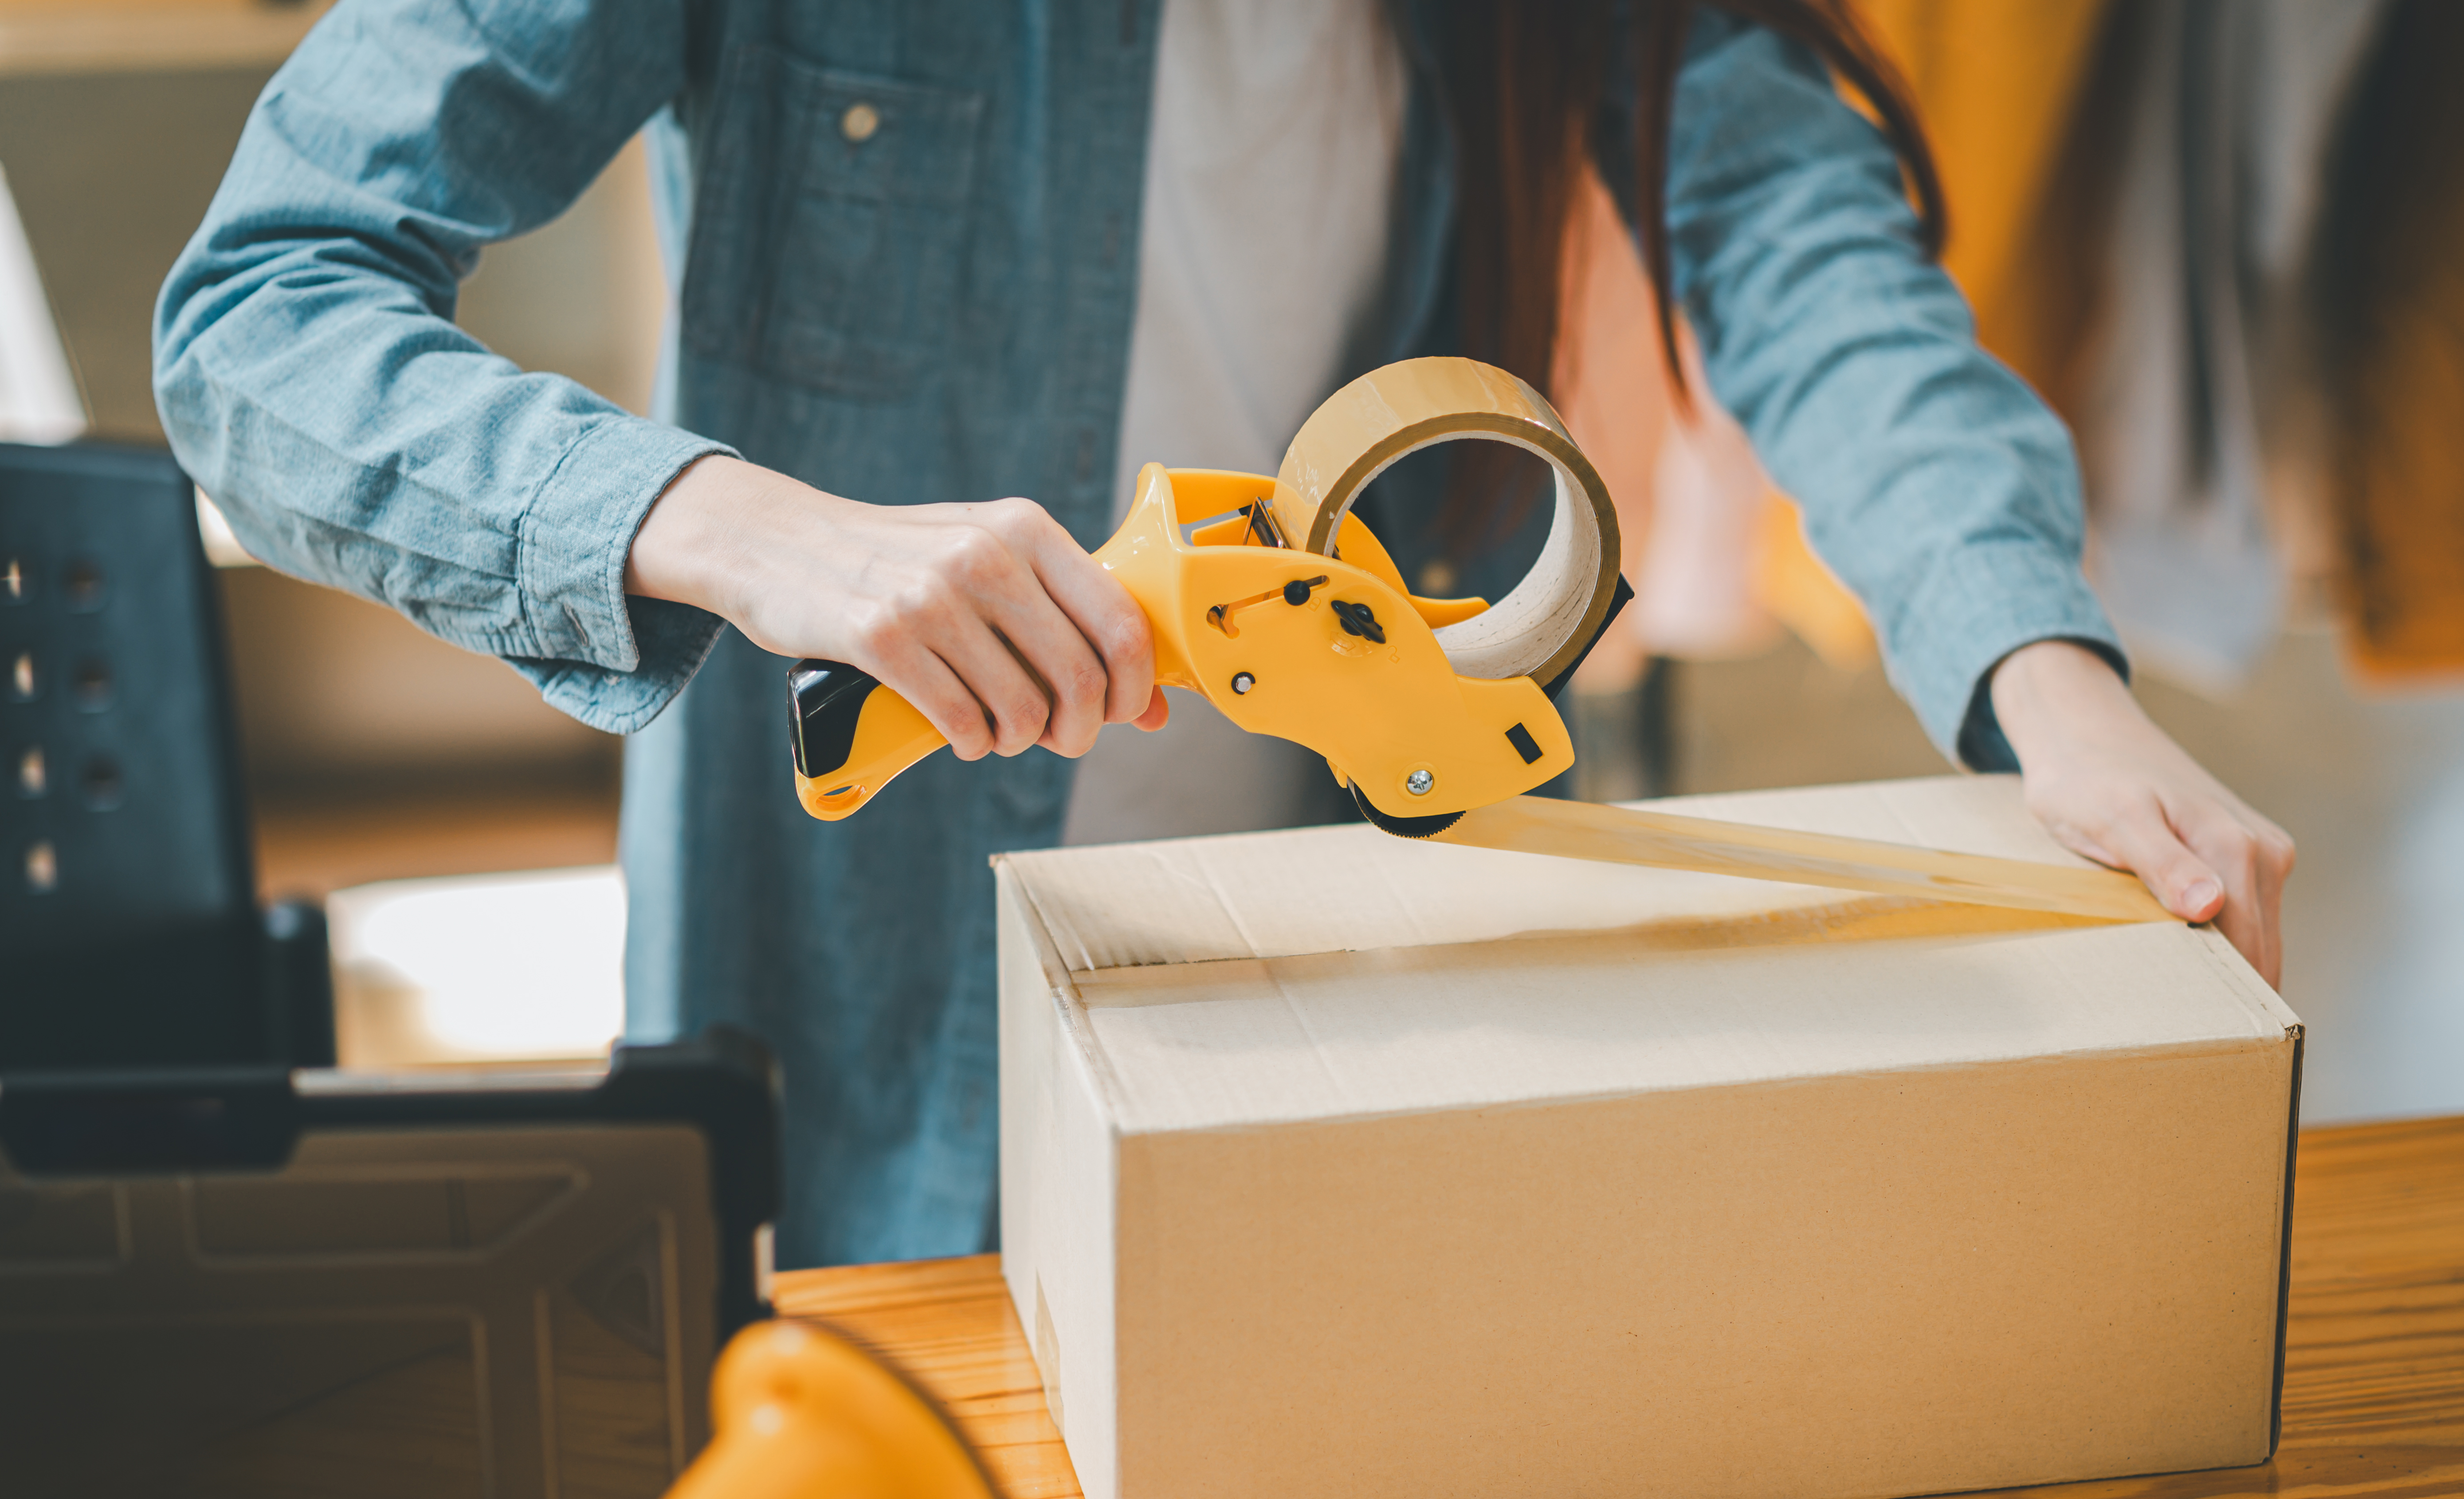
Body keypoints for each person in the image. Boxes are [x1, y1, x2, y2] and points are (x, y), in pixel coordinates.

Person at [155, 0, 2295, 1267]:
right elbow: (254, 323)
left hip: (1313, 997)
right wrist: (736, 528)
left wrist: (2049, 687)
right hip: (856, 1018)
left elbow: (1809, 254)